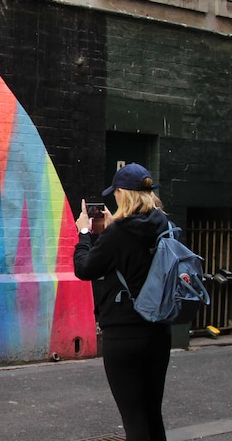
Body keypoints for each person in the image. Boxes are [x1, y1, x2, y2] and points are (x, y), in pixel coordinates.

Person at [73, 163, 171, 441]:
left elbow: (86, 268)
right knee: (152, 413)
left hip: (124, 334)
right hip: (158, 330)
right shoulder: (166, 227)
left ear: (122, 194)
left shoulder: (119, 234)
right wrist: (110, 228)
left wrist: (84, 234)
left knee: (134, 418)